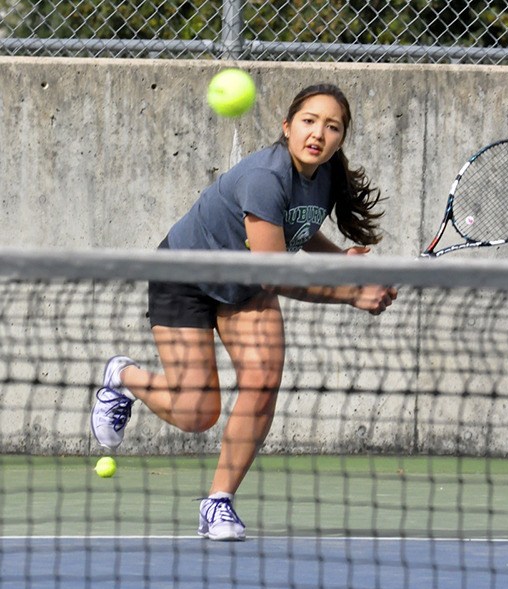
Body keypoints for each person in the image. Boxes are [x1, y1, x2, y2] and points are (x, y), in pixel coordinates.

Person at [91, 83, 397, 542]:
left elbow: (297, 226)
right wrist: (350, 293)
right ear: (287, 126)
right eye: (309, 121)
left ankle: (218, 503)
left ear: (341, 139)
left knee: (264, 377)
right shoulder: (264, 178)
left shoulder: (326, 175)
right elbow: (274, 275)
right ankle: (124, 378)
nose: (318, 133)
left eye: (332, 127)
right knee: (198, 414)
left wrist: (336, 259)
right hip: (185, 276)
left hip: (242, 284)